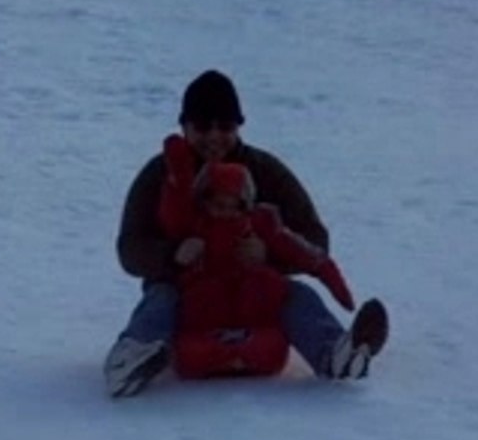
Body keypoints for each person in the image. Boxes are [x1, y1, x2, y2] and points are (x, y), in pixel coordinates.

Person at [103, 69, 388, 398]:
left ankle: (336, 355)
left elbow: (315, 238)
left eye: (225, 127)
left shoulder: (267, 172)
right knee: (161, 298)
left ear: (239, 127)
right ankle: (130, 359)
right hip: (190, 295)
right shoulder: (160, 174)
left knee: (295, 295)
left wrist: (270, 253)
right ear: (184, 127)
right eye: (202, 126)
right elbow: (130, 247)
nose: (214, 137)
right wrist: (171, 255)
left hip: (252, 295)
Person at [163, 156, 356, 380]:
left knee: (293, 294)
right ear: (204, 203)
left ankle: (333, 352)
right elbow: (173, 205)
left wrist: (340, 290)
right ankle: (138, 354)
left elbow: (309, 256)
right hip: (206, 321)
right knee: (174, 312)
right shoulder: (193, 226)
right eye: (218, 206)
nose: (226, 213)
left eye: (234, 207)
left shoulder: (261, 226)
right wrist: (177, 171)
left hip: (253, 321)